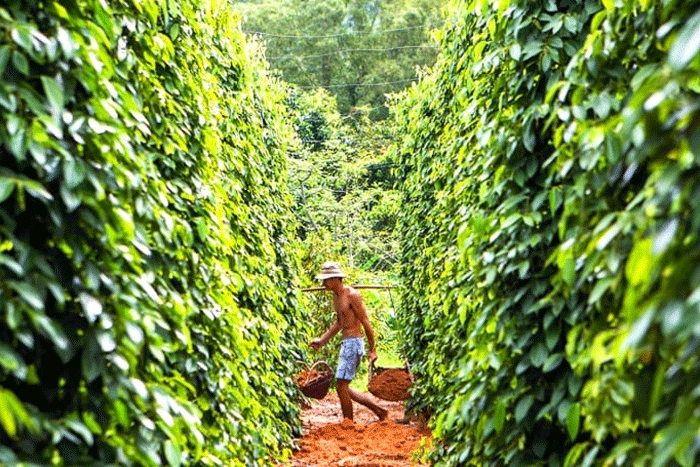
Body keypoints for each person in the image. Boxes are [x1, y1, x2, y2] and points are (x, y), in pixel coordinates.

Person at [309, 261, 388, 422]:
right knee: (342, 387)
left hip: (354, 342)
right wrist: (322, 340)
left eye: (326, 280)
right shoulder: (336, 298)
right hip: (346, 343)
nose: (324, 284)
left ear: (335, 279)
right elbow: (339, 322)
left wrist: (373, 349)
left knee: (341, 386)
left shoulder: (352, 295)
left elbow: (366, 321)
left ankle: (348, 422)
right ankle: (380, 411)